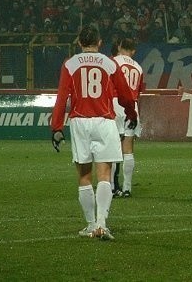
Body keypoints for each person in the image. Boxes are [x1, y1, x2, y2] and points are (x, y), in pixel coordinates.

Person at [51, 24, 138, 241]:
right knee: (105, 174)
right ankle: (102, 224)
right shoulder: (109, 63)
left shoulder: (70, 64)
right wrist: (131, 113)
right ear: (99, 42)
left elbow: (62, 98)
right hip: (104, 121)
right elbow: (126, 95)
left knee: (84, 176)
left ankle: (90, 225)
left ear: (79, 43)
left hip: (80, 122)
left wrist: (57, 128)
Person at [110, 37, 144, 199]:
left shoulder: (113, 62)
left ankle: (111, 187)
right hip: (132, 106)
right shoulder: (138, 67)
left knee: (113, 146)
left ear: (119, 46)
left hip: (116, 102)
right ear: (133, 51)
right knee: (128, 149)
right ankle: (127, 188)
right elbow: (139, 91)